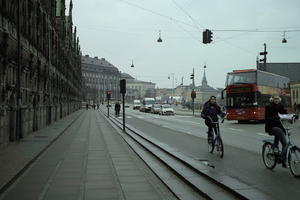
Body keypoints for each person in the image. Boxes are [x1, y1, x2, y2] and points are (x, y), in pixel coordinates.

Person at [265, 95, 288, 166]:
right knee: (278, 131)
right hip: (271, 127)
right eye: (275, 99)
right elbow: (267, 117)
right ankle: (275, 148)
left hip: (280, 127)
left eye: (277, 99)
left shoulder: (281, 106)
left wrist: (292, 116)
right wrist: (273, 117)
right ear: (272, 99)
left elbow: (285, 114)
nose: (276, 100)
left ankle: (283, 160)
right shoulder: (269, 107)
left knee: (285, 144)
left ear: (279, 99)